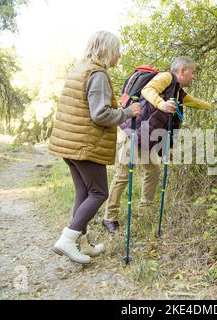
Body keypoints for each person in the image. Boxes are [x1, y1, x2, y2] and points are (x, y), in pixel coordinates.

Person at [48, 31, 141, 264]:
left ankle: (82, 243)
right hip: (84, 145)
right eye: (117, 50)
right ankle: (68, 240)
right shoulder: (97, 74)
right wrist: (128, 112)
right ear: (105, 50)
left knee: (84, 193)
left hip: (69, 144)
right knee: (99, 192)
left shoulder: (79, 69)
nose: (119, 55)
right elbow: (100, 114)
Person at [102, 56, 212, 233]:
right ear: (182, 71)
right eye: (192, 72)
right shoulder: (166, 78)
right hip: (131, 130)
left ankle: (145, 211)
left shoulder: (177, 91)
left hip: (147, 135)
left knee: (152, 171)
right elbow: (148, 90)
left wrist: (214, 108)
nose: (194, 76)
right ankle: (109, 217)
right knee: (122, 175)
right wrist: (162, 104)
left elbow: (194, 102)